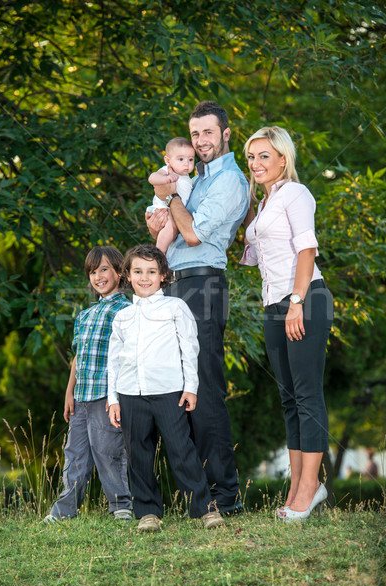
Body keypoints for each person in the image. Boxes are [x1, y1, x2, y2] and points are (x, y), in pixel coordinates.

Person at [146, 101, 249, 515]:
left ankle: (226, 496)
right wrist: (160, 217)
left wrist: (169, 198)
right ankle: (198, 497)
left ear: (226, 133)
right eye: (195, 134)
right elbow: (168, 228)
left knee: (204, 389)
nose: (201, 141)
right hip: (174, 284)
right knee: (177, 388)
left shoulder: (230, 181)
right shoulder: (196, 178)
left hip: (203, 286)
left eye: (208, 132)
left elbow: (189, 234)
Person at [240, 126, 333, 522]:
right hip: (273, 303)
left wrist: (296, 302)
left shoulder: (296, 193)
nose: (256, 163)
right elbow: (256, 255)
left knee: (308, 395)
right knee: (289, 398)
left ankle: (311, 488)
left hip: (305, 299)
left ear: (283, 159)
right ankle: (297, 487)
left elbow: (306, 248)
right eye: (251, 157)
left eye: (264, 155)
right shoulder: (264, 204)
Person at [107, 244, 225, 532]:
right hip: (130, 393)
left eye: (151, 271)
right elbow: (114, 361)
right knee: (138, 454)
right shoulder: (122, 316)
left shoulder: (175, 307)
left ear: (163, 276)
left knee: (182, 450)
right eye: (137, 271)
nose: (144, 277)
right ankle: (147, 513)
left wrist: (191, 388)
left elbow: (190, 348)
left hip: (169, 391)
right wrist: (113, 399)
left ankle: (204, 509)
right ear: (127, 275)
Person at [43, 246, 132, 523]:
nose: (97, 276)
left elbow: (128, 358)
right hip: (81, 396)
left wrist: (116, 395)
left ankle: (121, 506)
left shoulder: (127, 310)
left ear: (119, 272)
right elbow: (77, 357)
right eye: (92, 272)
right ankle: (65, 509)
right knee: (75, 453)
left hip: (106, 396)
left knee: (109, 452)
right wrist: (70, 392)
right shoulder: (84, 315)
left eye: (104, 269)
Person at [146, 137, 195, 254]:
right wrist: (165, 178)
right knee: (171, 226)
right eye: (181, 159)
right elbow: (152, 178)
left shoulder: (189, 179)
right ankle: (159, 253)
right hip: (163, 209)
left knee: (174, 228)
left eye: (191, 159)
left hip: (175, 212)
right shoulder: (167, 170)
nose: (186, 164)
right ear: (168, 160)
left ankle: (164, 254)